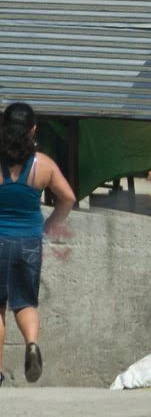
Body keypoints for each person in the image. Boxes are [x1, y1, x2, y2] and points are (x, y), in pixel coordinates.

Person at [0, 103, 76, 386]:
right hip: (30, 241)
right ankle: (31, 343)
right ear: (33, 129)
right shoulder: (43, 164)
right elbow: (68, 198)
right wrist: (52, 223)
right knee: (25, 303)